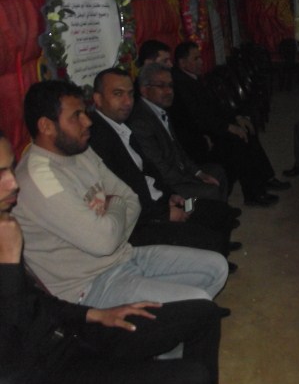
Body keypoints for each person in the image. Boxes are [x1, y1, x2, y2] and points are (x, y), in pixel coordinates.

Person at [0, 131, 223, 384]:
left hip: (72, 331)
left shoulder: (7, 225)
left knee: (205, 312)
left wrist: (93, 314)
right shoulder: (35, 186)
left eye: (10, 168)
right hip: (40, 368)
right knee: (192, 374)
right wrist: (8, 266)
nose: (13, 182)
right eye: (0, 173)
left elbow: (37, 303)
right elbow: (10, 348)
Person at [13, 80, 229, 308]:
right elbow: (105, 239)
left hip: (124, 254)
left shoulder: (80, 151)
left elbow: (131, 199)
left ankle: (171, 321)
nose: (87, 121)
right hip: (90, 285)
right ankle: (178, 320)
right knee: (198, 302)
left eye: (85, 112)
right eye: (76, 116)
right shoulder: (40, 179)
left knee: (217, 267)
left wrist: (112, 217)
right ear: (46, 126)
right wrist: (116, 206)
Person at [90, 68, 241, 272]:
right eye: (118, 94)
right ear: (97, 99)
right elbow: (125, 193)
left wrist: (171, 196)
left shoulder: (122, 127)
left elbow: (151, 171)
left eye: (130, 94)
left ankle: (217, 252)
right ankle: (212, 255)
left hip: (163, 201)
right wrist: (164, 213)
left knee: (217, 211)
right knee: (204, 231)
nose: (127, 101)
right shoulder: (99, 138)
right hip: (145, 220)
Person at [171, 41, 287, 206]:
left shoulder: (192, 78)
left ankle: (265, 178)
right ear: (182, 63)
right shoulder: (181, 84)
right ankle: (253, 194)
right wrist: (228, 127)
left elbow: (215, 106)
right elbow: (199, 118)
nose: (201, 62)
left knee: (246, 128)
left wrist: (236, 117)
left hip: (210, 125)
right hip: (199, 135)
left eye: (200, 57)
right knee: (238, 139)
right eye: (195, 59)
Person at [128, 63, 230, 203]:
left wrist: (198, 173)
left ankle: (221, 212)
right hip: (164, 184)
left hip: (178, 172)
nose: (169, 91)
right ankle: (200, 212)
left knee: (218, 172)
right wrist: (194, 179)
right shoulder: (140, 121)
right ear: (144, 90)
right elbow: (158, 168)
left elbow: (179, 151)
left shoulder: (160, 110)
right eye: (161, 86)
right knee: (210, 190)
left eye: (171, 85)